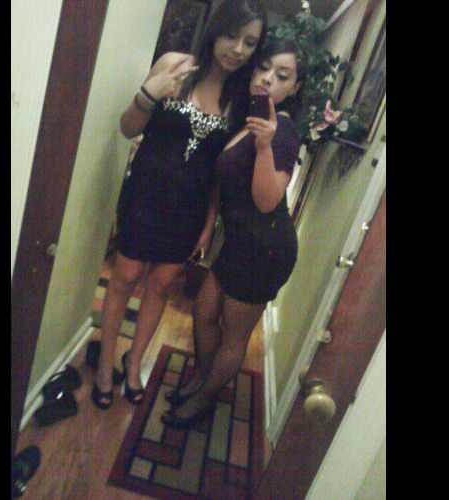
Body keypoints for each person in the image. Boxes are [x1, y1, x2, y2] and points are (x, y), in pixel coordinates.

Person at [92, 0, 268, 409]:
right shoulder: (175, 66)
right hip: (144, 194)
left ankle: (133, 363)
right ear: (215, 29)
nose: (237, 49)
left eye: (249, 43)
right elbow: (127, 128)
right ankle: (104, 362)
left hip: (189, 210)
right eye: (231, 35)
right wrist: (147, 95)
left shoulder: (240, 100)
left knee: (161, 285)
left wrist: (208, 224)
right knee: (124, 277)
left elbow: (219, 171)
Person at [162, 38, 307, 428]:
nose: (267, 79)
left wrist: (265, 146)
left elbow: (266, 200)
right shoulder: (249, 120)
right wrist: (209, 226)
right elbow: (223, 181)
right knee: (203, 311)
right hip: (238, 243)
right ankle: (201, 377)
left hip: (266, 249)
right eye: (264, 67)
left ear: (294, 88)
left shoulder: (283, 131)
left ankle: (204, 398)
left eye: (282, 76)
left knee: (234, 335)